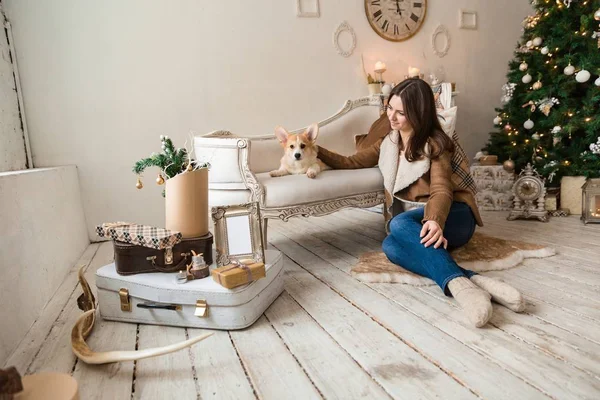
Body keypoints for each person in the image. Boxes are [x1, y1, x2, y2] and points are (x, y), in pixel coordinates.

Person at [317, 78, 525, 327]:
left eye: (401, 112)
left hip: (453, 216)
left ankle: (460, 287)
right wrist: (314, 149)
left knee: (399, 224)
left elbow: (442, 190)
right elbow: (351, 162)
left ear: (418, 113)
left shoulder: (436, 143)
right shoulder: (388, 142)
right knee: (391, 247)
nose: (391, 117)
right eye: (389, 108)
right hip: (417, 221)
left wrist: (435, 220)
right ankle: (469, 281)